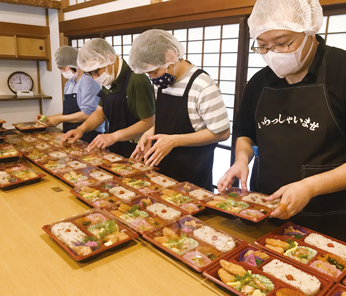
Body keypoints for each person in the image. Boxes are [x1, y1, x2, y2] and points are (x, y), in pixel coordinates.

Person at [218, 0, 346, 241]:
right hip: (266, 210)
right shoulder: (259, 82)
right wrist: (241, 160)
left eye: (282, 43)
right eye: (263, 46)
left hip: (327, 218)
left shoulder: (341, 71)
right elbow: (245, 132)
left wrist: (310, 186)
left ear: (309, 30)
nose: (273, 54)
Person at [129, 29, 230, 191]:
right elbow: (167, 120)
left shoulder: (202, 86)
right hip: (163, 171)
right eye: (149, 74)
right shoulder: (162, 83)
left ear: (171, 56)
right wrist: (150, 133)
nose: (154, 78)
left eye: (155, 72)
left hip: (192, 174)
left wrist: (175, 140)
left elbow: (223, 133)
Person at [61, 39, 155, 158]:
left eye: (97, 71)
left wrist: (114, 136)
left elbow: (149, 122)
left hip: (136, 149)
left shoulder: (137, 79)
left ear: (110, 58)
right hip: (115, 146)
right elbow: (100, 113)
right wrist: (81, 129)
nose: (95, 77)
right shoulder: (109, 78)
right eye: (90, 74)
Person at [36, 45, 104, 143]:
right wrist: (48, 118)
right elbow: (69, 112)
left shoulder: (88, 81)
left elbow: (87, 113)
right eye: (60, 69)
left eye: (63, 68)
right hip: (70, 132)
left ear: (75, 64)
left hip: (88, 134)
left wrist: (59, 119)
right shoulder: (69, 83)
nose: (62, 72)